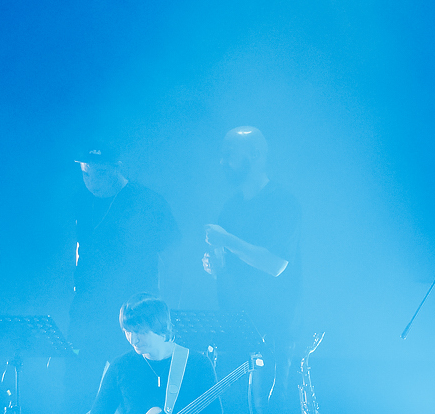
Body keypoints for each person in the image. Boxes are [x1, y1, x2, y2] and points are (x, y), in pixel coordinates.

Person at [67, 146, 181, 414]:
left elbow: (174, 258)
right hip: (88, 311)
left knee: (130, 389)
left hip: (133, 314)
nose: (91, 182)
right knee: (82, 386)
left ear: (116, 168)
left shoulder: (148, 201)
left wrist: (166, 309)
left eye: (99, 174)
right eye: (85, 174)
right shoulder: (82, 201)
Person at [202, 127, 300, 411]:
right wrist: (213, 264)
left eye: (229, 154)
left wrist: (226, 240)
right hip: (233, 325)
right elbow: (226, 263)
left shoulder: (282, 202)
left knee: (267, 406)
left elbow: (275, 264)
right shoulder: (231, 205)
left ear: (256, 154)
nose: (223, 161)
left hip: (272, 329)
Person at [88, 295, 222, 414]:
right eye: (127, 331)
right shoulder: (120, 366)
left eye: (140, 332)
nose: (133, 340)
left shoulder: (198, 365)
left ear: (160, 328)